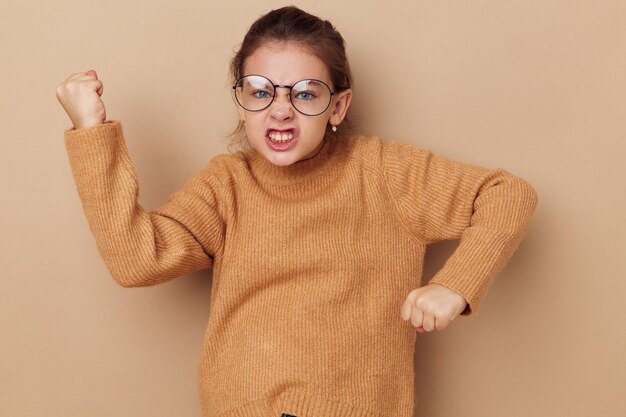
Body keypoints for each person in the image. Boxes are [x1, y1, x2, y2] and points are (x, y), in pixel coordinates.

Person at [56, 6, 538, 417]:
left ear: (338, 106)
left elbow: (506, 193)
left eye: (305, 93)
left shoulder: (386, 173)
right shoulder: (227, 185)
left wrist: (455, 284)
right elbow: (138, 259)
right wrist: (90, 132)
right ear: (241, 100)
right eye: (261, 90)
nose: (280, 110)